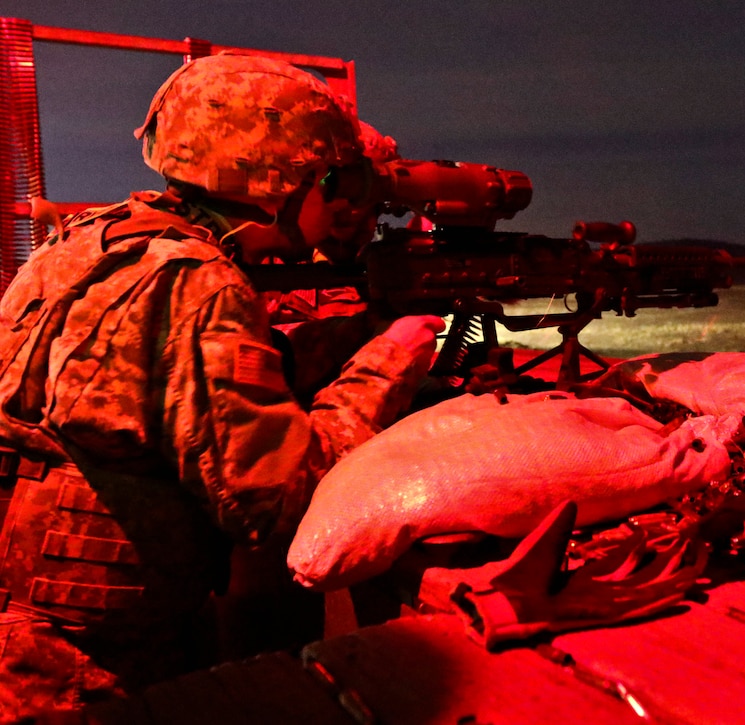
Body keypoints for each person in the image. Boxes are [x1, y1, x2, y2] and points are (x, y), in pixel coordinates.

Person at [0, 52, 444, 721]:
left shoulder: (90, 240)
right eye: (331, 180)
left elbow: (129, 386)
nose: (342, 203)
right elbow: (274, 499)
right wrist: (386, 364)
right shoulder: (201, 283)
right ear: (282, 181)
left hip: (31, 622)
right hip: (97, 661)